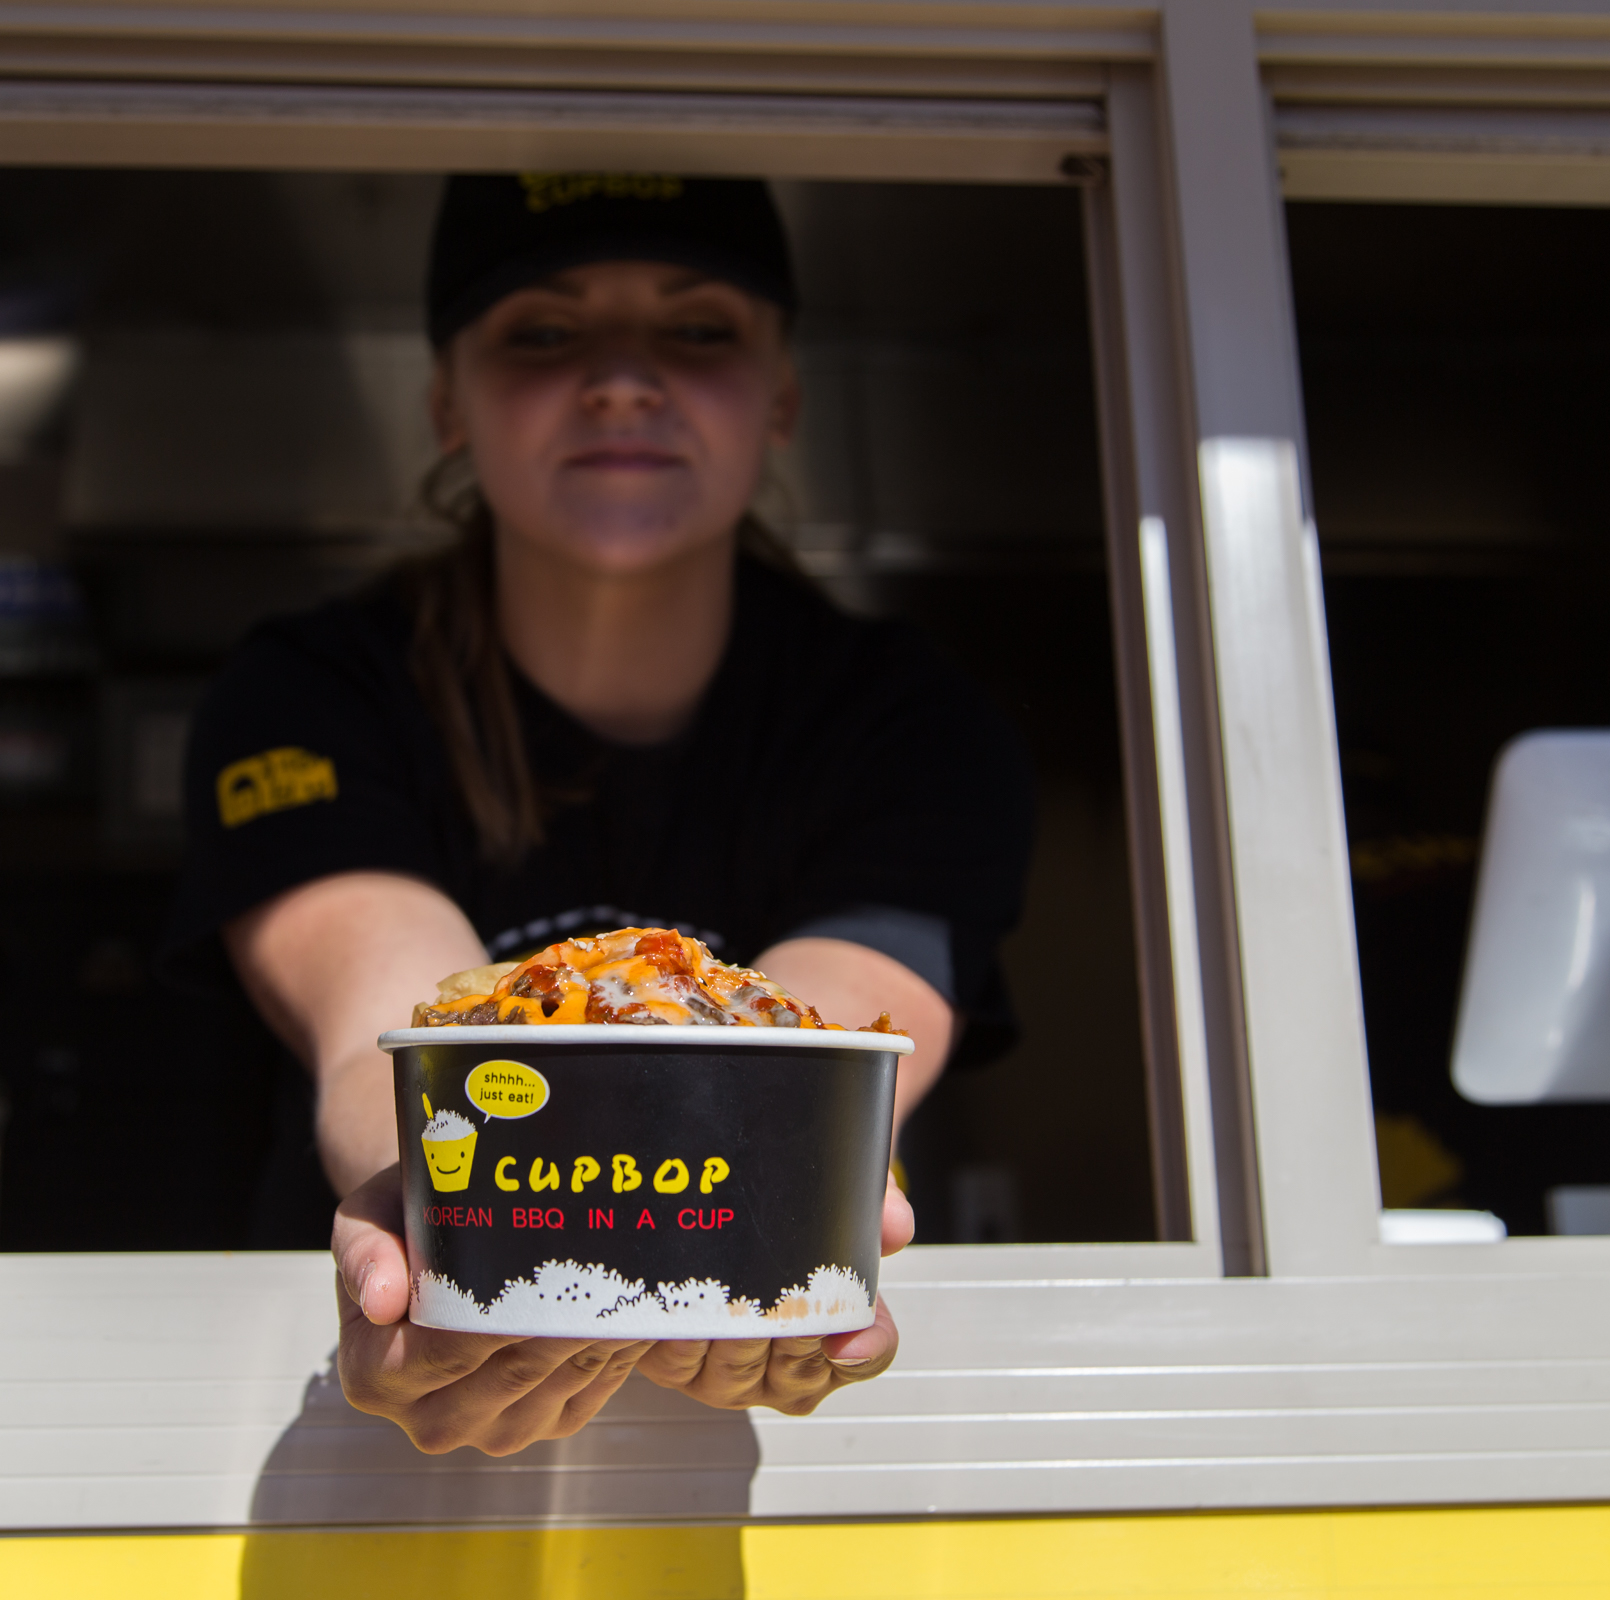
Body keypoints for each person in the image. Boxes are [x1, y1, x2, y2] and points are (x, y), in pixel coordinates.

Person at [166, 173, 1034, 1455]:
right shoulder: (307, 694)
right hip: (358, 1450)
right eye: (544, 330)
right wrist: (439, 1234)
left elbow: (825, 1042)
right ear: (446, 402)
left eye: (698, 329)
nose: (623, 381)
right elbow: (386, 1035)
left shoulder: (913, 722)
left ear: (782, 395)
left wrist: (794, 1187)